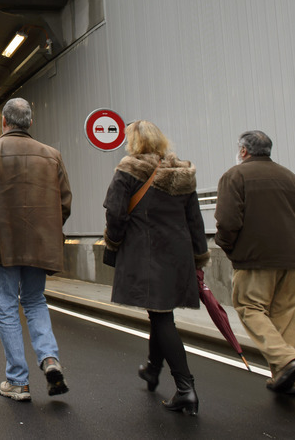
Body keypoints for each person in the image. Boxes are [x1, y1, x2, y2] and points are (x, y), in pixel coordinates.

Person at [103, 120, 209, 415]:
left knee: (162, 318)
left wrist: (113, 243)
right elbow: (195, 221)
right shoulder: (182, 172)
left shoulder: (128, 169)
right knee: (160, 312)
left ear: (133, 142)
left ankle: (186, 388)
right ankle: (152, 369)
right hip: (178, 256)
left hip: (147, 254)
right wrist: (199, 258)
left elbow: (115, 212)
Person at [0, 97, 70, 402]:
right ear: (30, 122)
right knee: (35, 301)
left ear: (4, 122)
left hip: (4, 242)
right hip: (40, 241)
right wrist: (47, 227)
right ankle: (49, 359)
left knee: (7, 307)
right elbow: (64, 202)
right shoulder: (52, 156)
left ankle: (18, 381)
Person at [214, 130, 295, 395]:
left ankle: (285, 361)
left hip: (253, 259)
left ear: (244, 151)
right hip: (291, 260)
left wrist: (229, 247)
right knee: (283, 315)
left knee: (250, 307)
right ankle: (286, 378)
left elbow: (227, 221)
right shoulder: (291, 178)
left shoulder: (234, 176)